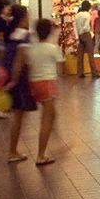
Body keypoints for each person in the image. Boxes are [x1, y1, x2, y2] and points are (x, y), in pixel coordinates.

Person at [11, 18, 64, 166]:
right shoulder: (53, 48)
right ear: (50, 32)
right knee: (46, 119)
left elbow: (25, 66)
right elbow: (60, 69)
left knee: (50, 115)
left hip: (33, 84)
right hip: (48, 83)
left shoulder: (31, 49)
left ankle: (45, 148)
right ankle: (41, 155)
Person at [2, 5, 37, 163]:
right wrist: (15, 80)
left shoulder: (10, 35)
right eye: (27, 15)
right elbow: (20, 60)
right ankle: (12, 151)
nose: (29, 18)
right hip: (19, 79)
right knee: (18, 116)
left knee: (17, 115)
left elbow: (1, 56)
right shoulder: (25, 35)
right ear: (22, 18)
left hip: (8, 76)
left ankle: (13, 150)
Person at [74, 0, 99, 78]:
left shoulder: (77, 15)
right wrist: (82, 33)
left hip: (79, 36)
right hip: (86, 34)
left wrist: (77, 36)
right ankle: (94, 73)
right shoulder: (87, 15)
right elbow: (85, 26)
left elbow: (74, 27)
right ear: (88, 7)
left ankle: (80, 73)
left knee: (80, 55)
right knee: (90, 54)